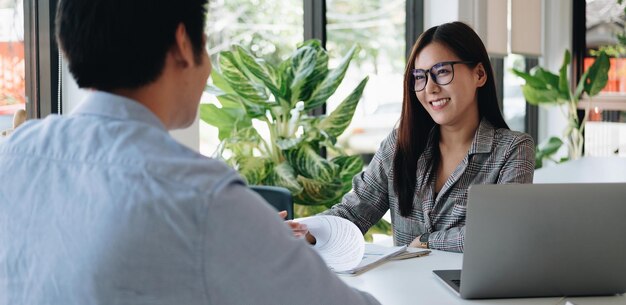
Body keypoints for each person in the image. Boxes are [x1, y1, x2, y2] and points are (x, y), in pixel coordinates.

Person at [0, 1, 379, 304]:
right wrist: (248, 235)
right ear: (183, 43)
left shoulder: (12, 155)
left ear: (67, 44)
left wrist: (247, 236)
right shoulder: (200, 195)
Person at [288, 21, 535, 253]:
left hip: (470, 295)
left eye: (442, 72)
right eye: (420, 77)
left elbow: (503, 232)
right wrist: (300, 231)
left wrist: (426, 241)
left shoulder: (512, 149)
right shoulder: (399, 145)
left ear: (479, 74)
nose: (430, 88)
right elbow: (353, 212)